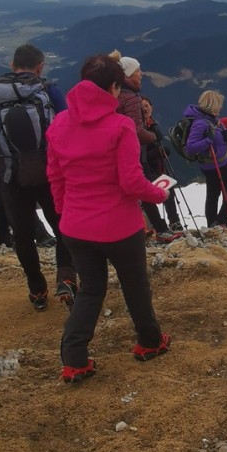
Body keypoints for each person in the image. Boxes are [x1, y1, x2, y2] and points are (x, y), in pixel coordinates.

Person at [46, 54, 172, 383]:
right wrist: (159, 194)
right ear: (114, 87)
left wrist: (65, 211)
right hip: (120, 227)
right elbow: (131, 181)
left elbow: (55, 176)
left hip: (75, 225)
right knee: (135, 287)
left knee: (90, 291)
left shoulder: (59, 123)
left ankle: (74, 360)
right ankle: (149, 342)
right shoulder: (120, 126)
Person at [0, 43, 77, 310]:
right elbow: (68, 125)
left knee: (23, 235)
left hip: (10, 176)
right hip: (50, 173)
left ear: (12, 66)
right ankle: (67, 277)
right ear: (40, 67)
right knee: (63, 225)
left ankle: (37, 289)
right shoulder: (49, 90)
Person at [110, 52, 181, 244]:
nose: (141, 74)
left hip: (112, 153)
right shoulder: (131, 98)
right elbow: (136, 131)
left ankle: (156, 228)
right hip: (133, 155)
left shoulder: (113, 96)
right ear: (128, 75)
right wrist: (154, 137)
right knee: (147, 189)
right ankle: (164, 228)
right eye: (137, 71)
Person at [183, 90, 227, 227]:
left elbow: (217, 137)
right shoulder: (201, 123)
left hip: (218, 164)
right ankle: (219, 223)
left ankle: (213, 224)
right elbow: (190, 148)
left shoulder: (212, 120)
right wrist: (208, 141)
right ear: (213, 105)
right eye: (219, 105)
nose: (221, 108)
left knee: (213, 195)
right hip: (214, 166)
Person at [141, 96, 182, 231]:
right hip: (144, 169)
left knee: (167, 188)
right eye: (142, 107)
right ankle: (167, 224)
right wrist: (158, 153)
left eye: (147, 105)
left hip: (156, 168)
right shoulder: (141, 128)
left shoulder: (152, 125)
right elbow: (140, 154)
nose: (145, 108)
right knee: (157, 193)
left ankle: (167, 223)